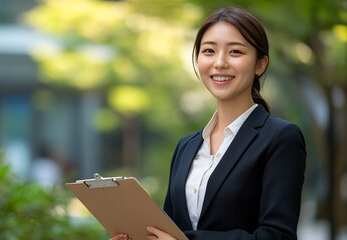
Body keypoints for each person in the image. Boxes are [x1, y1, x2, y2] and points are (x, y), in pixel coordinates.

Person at [111, 6, 306, 240]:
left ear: (260, 64)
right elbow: (170, 230)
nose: (220, 62)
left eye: (235, 52)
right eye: (209, 51)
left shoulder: (280, 137)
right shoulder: (187, 146)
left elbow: (277, 236)